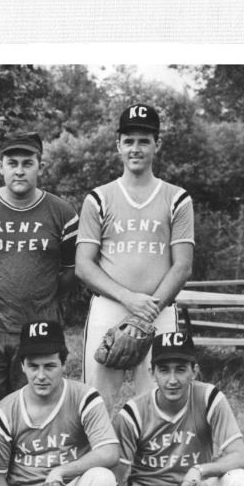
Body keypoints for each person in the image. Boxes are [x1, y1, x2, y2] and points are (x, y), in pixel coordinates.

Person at [75, 104, 194, 407]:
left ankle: (152, 456)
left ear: (157, 144)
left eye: (144, 140)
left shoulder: (177, 198)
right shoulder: (99, 198)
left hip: (160, 309)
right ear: (118, 146)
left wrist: (147, 311)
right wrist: (129, 299)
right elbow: (84, 265)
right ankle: (103, 455)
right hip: (110, 307)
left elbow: (182, 266)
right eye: (129, 141)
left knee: (160, 401)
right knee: (97, 402)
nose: (136, 148)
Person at [0, 131, 79, 404]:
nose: (20, 171)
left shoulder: (63, 214)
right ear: (1, 166)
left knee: (36, 404)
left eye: (27, 163)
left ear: (40, 166)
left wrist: (40, 298)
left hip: (39, 324)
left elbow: (70, 272)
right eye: (12, 163)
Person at [110, 330, 244, 486]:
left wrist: (199, 470)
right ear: (152, 372)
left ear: (194, 371)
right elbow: (113, 478)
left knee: (239, 481)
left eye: (181, 370)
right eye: (164, 370)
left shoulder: (208, 397)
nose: (172, 380)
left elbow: (242, 456)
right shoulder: (133, 412)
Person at [0, 320, 119, 486]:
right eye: (33, 366)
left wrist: (61, 472)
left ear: (64, 364)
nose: (41, 375)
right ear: (22, 366)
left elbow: (109, 451)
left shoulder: (83, 397)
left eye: (50, 366)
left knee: (101, 479)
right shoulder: (5, 411)